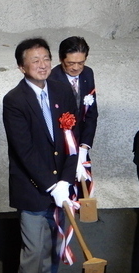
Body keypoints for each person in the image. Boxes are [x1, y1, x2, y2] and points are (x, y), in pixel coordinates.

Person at [2, 38, 79, 273]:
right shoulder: (14, 100)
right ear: (21, 67)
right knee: (33, 253)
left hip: (62, 189)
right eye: (35, 60)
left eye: (46, 58)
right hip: (34, 190)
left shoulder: (63, 91)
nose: (42, 64)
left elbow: (71, 139)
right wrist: (51, 185)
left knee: (51, 253)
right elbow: (24, 150)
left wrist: (66, 181)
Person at [49, 36, 98, 186]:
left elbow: (91, 113)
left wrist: (84, 147)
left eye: (81, 63)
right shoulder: (51, 78)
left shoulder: (88, 74)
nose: (76, 67)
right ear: (61, 59)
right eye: (71, 63)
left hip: (81, 143)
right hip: (60, 147)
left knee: (83, 189)